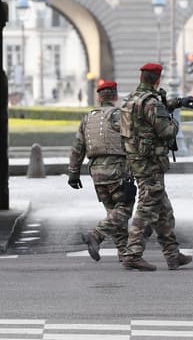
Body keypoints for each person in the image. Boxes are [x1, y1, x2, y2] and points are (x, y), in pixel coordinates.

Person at [118, 63, 193, 271]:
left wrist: (177, 103)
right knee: (146, 207)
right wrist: (174, 121)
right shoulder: (151, 103)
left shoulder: (131, 100)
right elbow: (167, 131)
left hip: (136, 160)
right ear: (157, 80)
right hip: (151, 163)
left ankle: (172, 254)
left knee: (164, 211)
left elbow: (150, 113)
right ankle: (132, 253)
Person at [68, 80, 135, 263]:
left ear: (99, 97)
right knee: (123, 210)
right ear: (115, 96)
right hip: (117, 171)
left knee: (112, 212)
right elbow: (132, 142)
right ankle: (96, 235)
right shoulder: (119, 116)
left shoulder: (87, 118)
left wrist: (73, 173)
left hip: (97, 173)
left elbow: (77, 148)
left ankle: (124, 252)